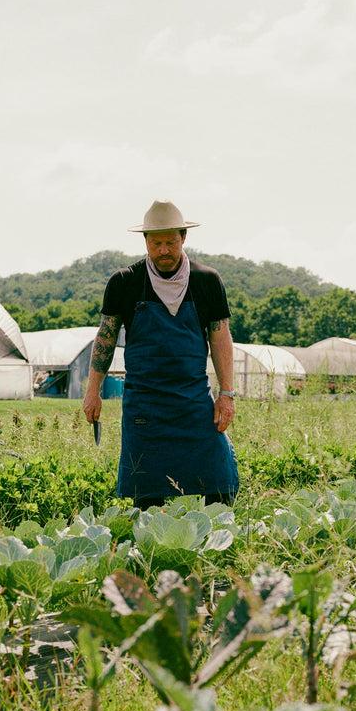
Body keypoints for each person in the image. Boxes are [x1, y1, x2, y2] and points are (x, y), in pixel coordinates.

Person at [82, 199, 239, 509]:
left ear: (184, 238)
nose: (164, 250)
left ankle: (217, 545)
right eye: (157, 243)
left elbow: (220, 337)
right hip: (145, 402)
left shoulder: (206, 281)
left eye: (171, 242)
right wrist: (92, 391)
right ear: (146, 242)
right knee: (147, 490)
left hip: (192, 398)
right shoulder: (125, 282)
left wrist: (227, 394)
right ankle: (152, 548)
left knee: (219, 478)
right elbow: (106, 337)